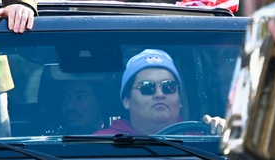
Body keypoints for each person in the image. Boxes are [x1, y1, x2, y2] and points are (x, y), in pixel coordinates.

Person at [95, 49, 224, 135]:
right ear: (126, 101)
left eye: (168, 87)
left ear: (180, 100)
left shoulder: (204, 139)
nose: (160, 94)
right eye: (147, 87)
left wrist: (227, 133)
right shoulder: (100, 143)